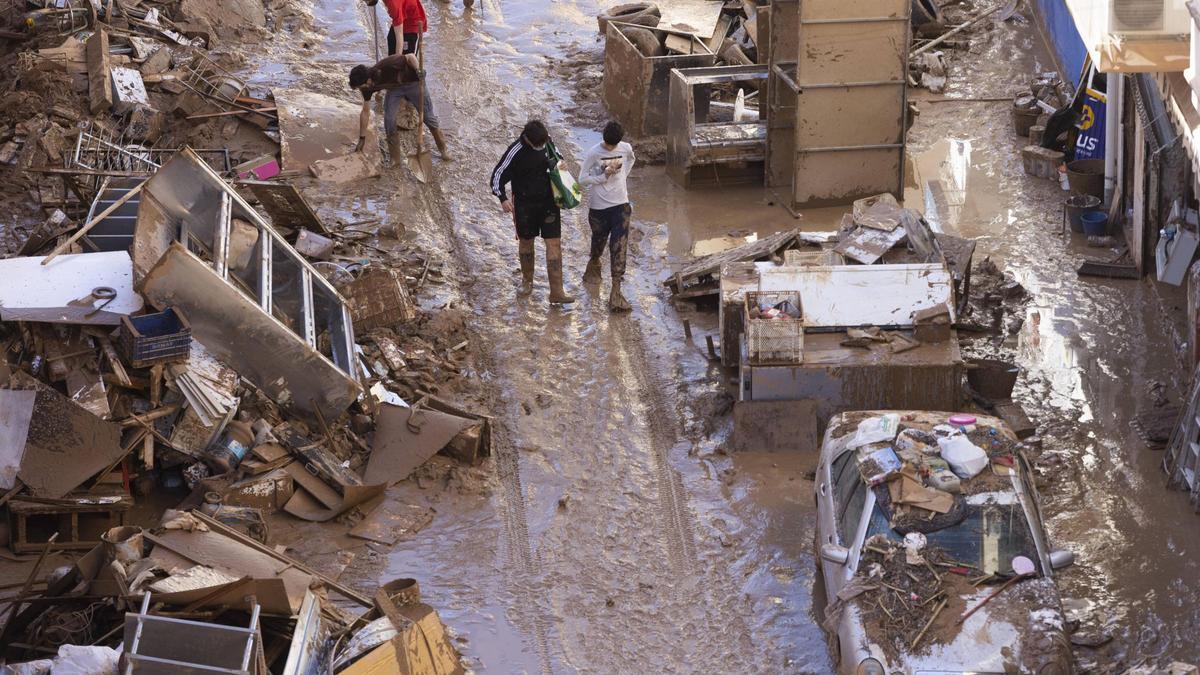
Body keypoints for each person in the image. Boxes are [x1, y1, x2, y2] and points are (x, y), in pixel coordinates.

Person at [491, 120, 575, 305]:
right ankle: (527, 282)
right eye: (538, 145)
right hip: (524, 205)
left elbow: (558, 157)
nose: (541, 147)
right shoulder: (515, 151)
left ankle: (557, 291)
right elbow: (497, 175)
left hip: (549, 203)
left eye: (543, 144)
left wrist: (562, 165)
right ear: (527, 140)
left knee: (554, 244)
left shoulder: (548, 141)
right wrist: (502, 198)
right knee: (526, 242)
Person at [349, 53, 450, 163]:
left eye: (360, 87)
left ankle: (443, 150)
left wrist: (418, 70)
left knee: (428, 118)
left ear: (368, 80)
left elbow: (410, 56)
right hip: (394, 89)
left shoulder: (388, 65)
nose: (361, 89)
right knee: (389, 120)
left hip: (414, 83)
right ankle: (395, 160)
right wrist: (362, 139)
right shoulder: (366, 88)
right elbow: (365, 112)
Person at [578, 120, 635, 312]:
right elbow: (582, 180)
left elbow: (631, 160)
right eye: (609, 146)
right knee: (599, 242)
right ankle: (594, 264)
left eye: (614, 146)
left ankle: (616, 291)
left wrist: (621, 178)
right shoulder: (594, 153)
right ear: (603, 139)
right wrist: (603, 177)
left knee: (619, 247)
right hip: (598, 208)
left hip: (621, 205)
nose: (611, 148)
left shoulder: (626, 148)